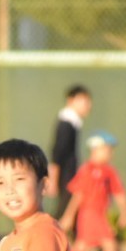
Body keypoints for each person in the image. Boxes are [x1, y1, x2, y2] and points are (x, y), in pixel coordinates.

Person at [46, 84, 91, 219]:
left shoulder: (73, 123)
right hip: (66, 177)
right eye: (83, 101)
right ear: (71, 100)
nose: (88, 105)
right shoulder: (66, 123)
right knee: (64, 212)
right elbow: (57, 152)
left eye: (88, 101)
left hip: (70, 175)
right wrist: (53, 179)